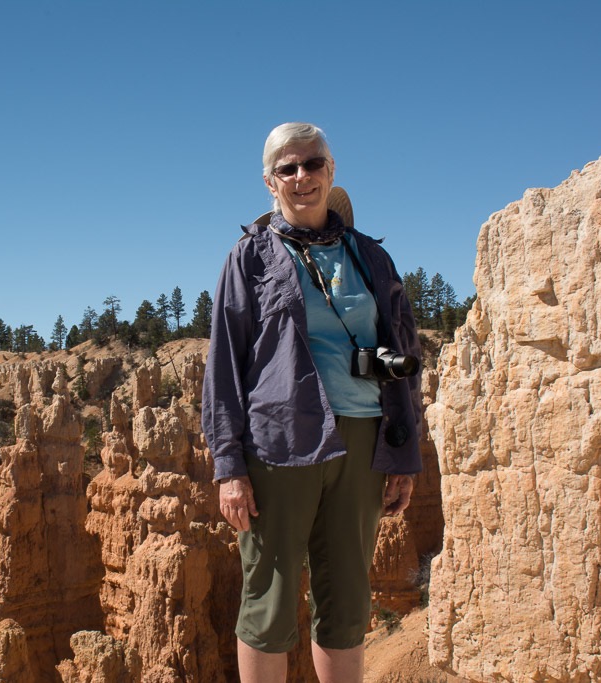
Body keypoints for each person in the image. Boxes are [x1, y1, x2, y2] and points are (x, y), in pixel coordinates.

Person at [201, 122, 423, 682]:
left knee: (347, 600)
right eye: (288, 168)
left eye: (313, 164)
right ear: (270, 182)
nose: (302, 177)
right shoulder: (249, 257)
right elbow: (225, 367)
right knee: (269, 602)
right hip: (280, 441)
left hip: (363, 437)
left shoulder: (371, 259)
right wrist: (229, 467)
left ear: (331, 172)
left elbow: (400, 355)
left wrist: (402, 452)